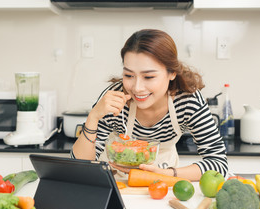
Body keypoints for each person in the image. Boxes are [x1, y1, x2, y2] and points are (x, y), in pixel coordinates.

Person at [71, 29, 228, 181]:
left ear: (172, 73)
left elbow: (218, 163)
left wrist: (164, 174)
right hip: (118, 181)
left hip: (164, 181)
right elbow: (80, 167)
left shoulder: (188, 100)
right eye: (129, 75)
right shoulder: (115, 98)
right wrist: (93, 117)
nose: (137, 87)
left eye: (149, 76)